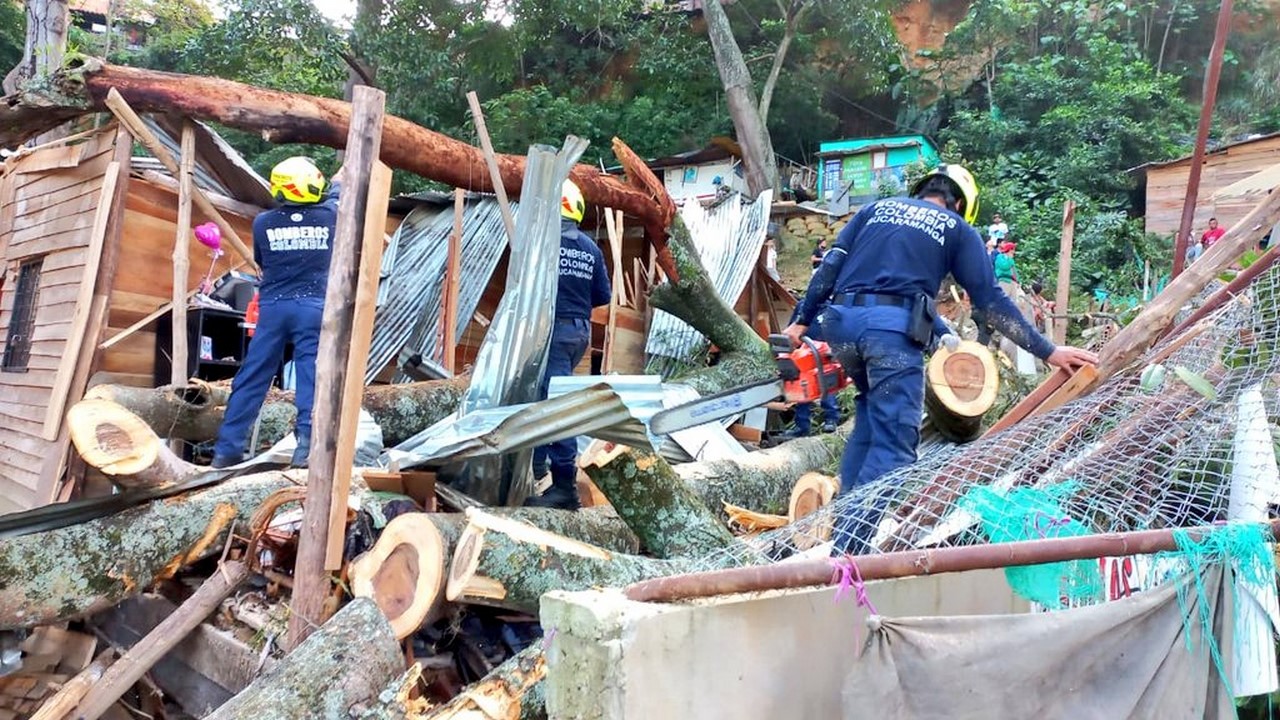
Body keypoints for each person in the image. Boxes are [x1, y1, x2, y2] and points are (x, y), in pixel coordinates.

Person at [782, 164, 1097, 555]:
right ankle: (849, 556)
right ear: (961, 203)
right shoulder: (957, 228)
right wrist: (1049, 351)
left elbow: (830, 266)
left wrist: (799, 322)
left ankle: (843, 536)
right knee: (895, 449)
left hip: (841, 326)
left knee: (869, 417)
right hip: (889, 335)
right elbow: (992, 303)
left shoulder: (873, 211)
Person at [212, 157, 340, 468]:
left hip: (274, 308)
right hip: (312, 308)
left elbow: (262, 263)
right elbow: (337, 193)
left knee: (253, 376)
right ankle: (306, 446)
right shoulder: (330, 217)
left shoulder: (263, 223)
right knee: (310, 375)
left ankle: (226, 450)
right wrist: (341, 175)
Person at [526, 180, 612, 510]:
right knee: (543, 399)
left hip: (552, 332)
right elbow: (601, 296)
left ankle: (565, 487)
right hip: (578, 332)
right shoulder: (591, 248)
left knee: (557, 405)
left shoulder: (544, 243)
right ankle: (538, 471)